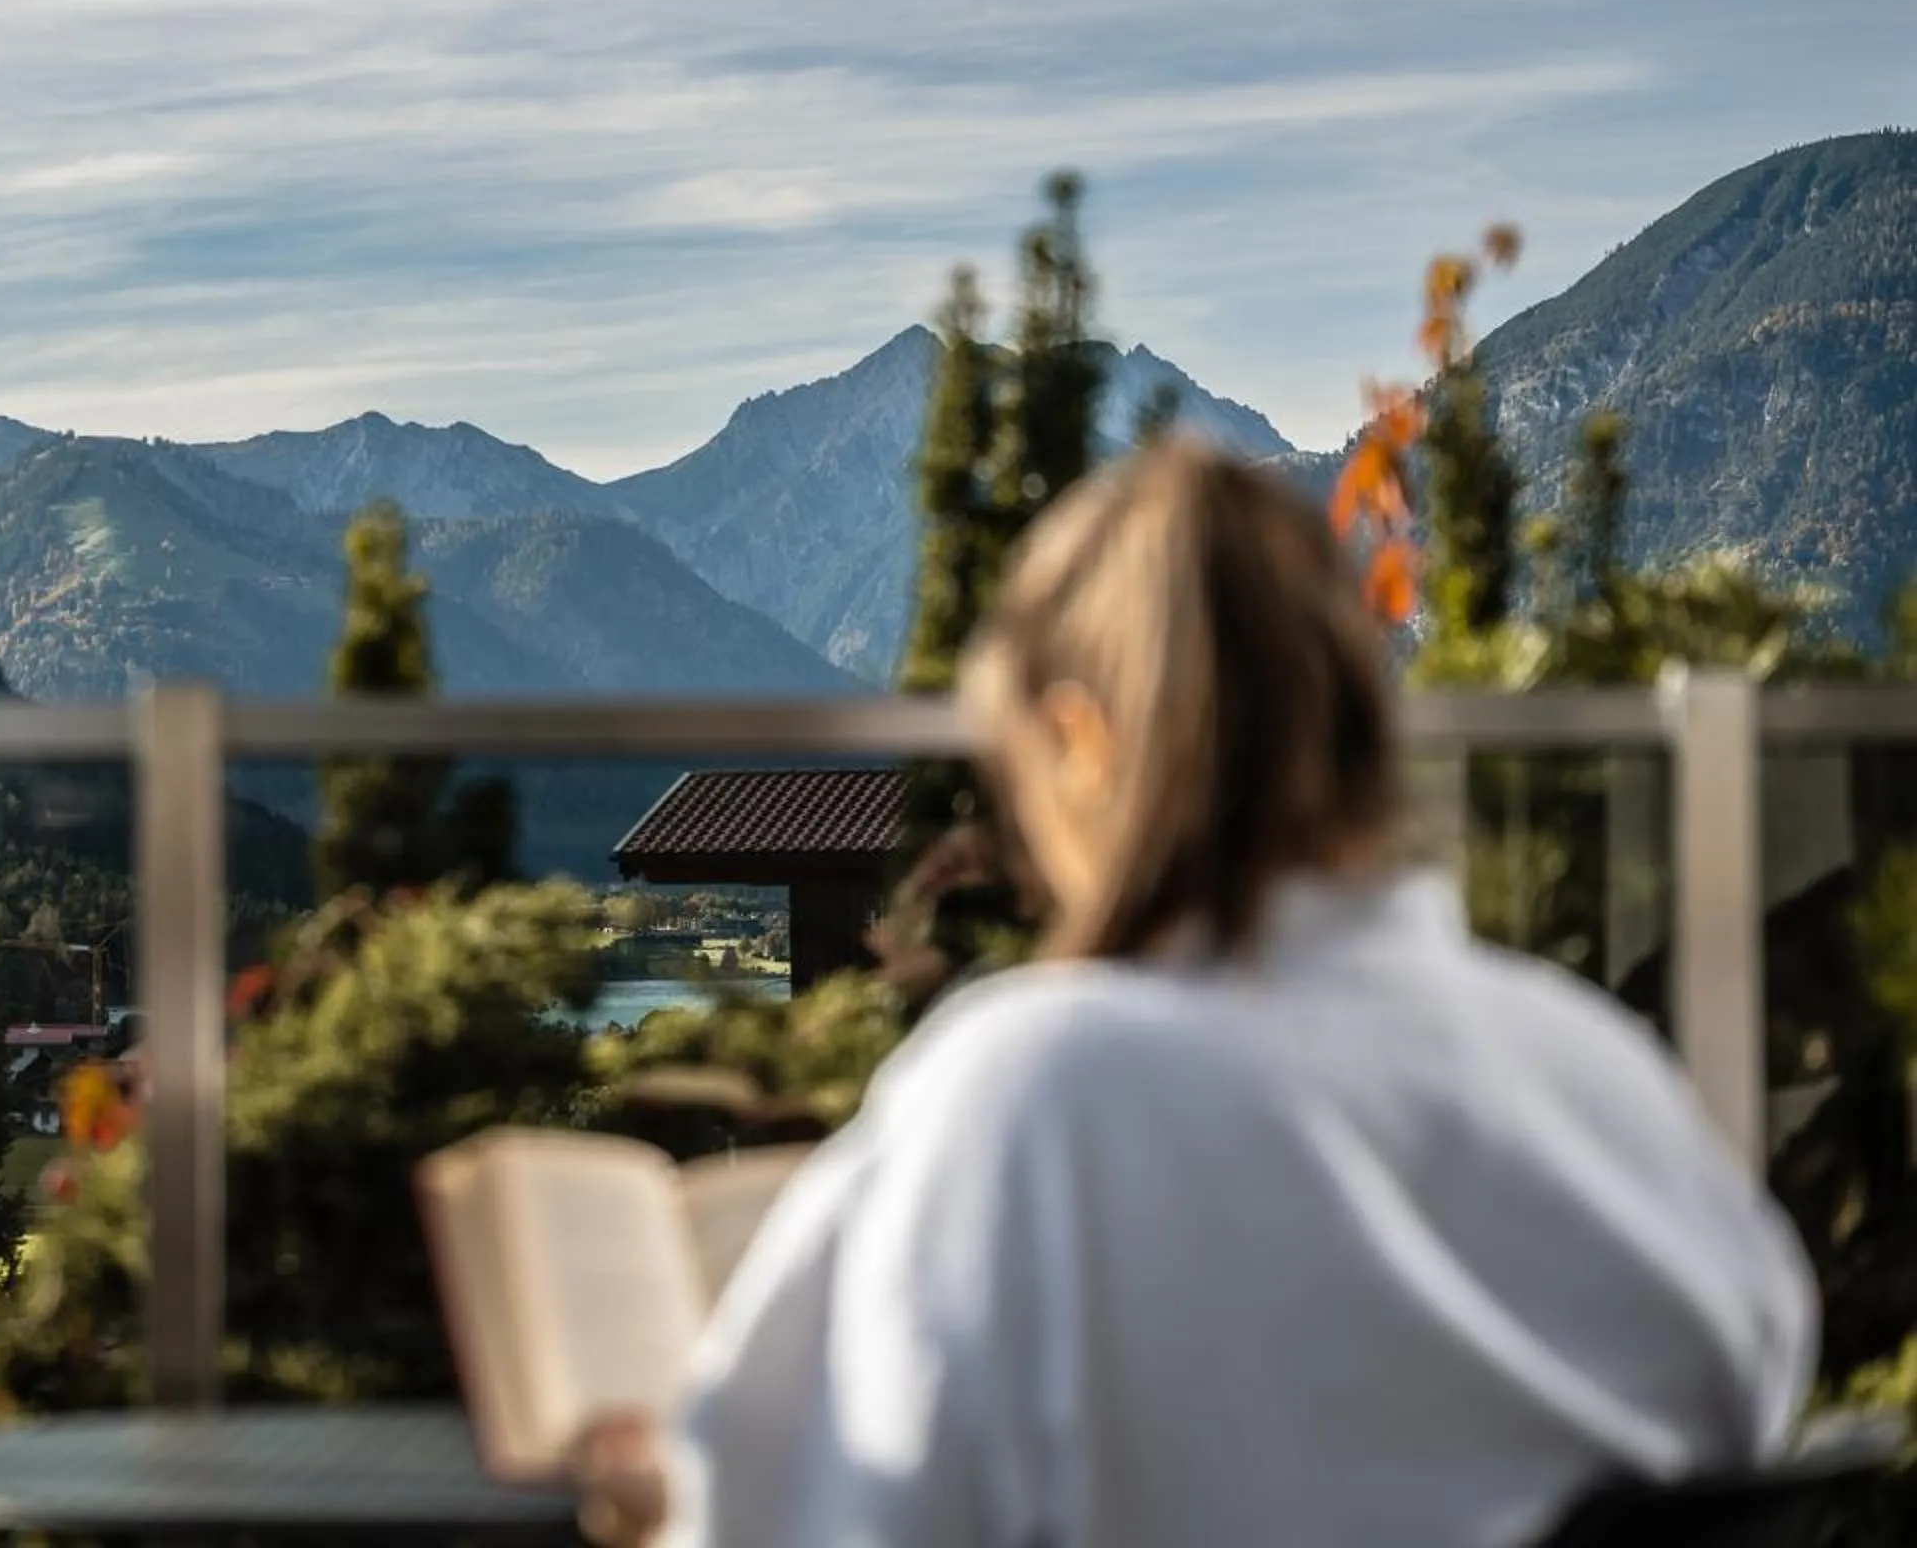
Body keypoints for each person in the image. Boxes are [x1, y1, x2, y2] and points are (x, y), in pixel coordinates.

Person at [569, 440, 1818, 1548]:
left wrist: (659, 1502)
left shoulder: (1034, 1097)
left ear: (1086, 742)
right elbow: (1758, 1394)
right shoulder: (1597, 1076)